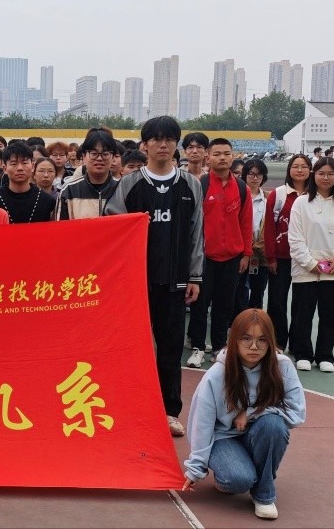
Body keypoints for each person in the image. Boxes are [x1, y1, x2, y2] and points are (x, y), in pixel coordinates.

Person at [105, 116, 204, 438]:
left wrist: (195, 276)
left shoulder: (190, 185)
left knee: (171, 348)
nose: (163, 144)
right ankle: (129, 407)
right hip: (136, 282)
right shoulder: (129, 184)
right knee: (131, 347)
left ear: (177, 144)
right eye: (156, 139)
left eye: (169, 139)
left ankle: (169, 411)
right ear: (144, 144)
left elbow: (196, 234)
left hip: (175, 280)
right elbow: (113, 231)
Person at [183, 309, 306, 521]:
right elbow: (201, 423)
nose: (254, 346)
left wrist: (249, 414)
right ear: (235, 340)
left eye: (262, 340)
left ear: (270, 342)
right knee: (238, 480)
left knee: (273, 425)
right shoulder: (217, 373)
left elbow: (296, 412)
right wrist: (195, 468)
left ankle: (264, 495)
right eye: (246, 338)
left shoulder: (282, 366)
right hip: (224, 438)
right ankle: (236, 472)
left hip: (259, 434)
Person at [287, 157, 334, 373]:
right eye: (321, 173)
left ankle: (325, 355)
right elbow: (295, 236)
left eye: (330, 174)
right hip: (306, 269)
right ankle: (303, 354)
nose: (326, 178)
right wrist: (310, 263)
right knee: (303, 314)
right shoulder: (301, 203)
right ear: (314, 175)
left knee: (329, 314)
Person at [186, 138, 253, 368]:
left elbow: (246, 223)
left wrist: (246, 254)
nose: (222, 158)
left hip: (232, 258)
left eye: (226, 153)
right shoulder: (200, 185)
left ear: (233, 156)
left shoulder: (242, 188)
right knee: (199, 304)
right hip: (204, 257)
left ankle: (218, 347)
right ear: (208, 157)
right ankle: (197, 346)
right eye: (217, 154)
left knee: (224, 305)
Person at [264, 155, 311, 350]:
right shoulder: (279, 194)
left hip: (306, 259)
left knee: (302, 304)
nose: (299, 170)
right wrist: (271, 257)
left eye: (304, 166)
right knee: (277, 301)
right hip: (281, 258)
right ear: (289, 170)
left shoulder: (315, 194)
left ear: (310, 170)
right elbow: (269, 228)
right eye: (295, 166)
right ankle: (277, 342)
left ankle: (298, 344)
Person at [57, 129, 120, 220]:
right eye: (93, 153)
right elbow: (60, 227)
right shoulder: (69, 191)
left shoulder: (122, 190)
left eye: (105, 154)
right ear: (83, 156)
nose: (99, 158)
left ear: (113, 157)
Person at [236, 160, 273, 312]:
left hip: (260, 254)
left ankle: (255, 321)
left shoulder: (269, 198)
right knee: (239, 292)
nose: (255, 178)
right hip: (240, 253)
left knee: (258, 292)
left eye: (259, 174)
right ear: (245, 175)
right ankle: (238, 321)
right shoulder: (238, 196)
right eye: (251, 174)